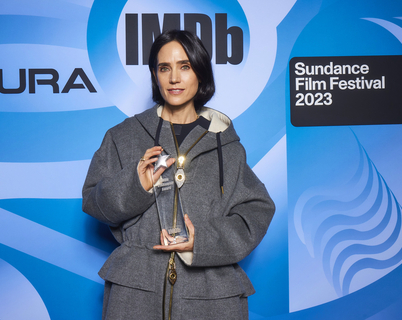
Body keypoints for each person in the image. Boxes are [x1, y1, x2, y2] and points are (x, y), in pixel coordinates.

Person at [82, 29, 275, 320]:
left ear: (200, 73)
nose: (174, 78)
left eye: (184, 66)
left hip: (212, 298)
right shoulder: (123, 136)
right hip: (135, 296)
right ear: (155, 75)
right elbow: (93, 202)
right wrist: (137, 185)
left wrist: (204, 241)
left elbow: (256, 212)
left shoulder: (227, 144)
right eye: (164, 68)